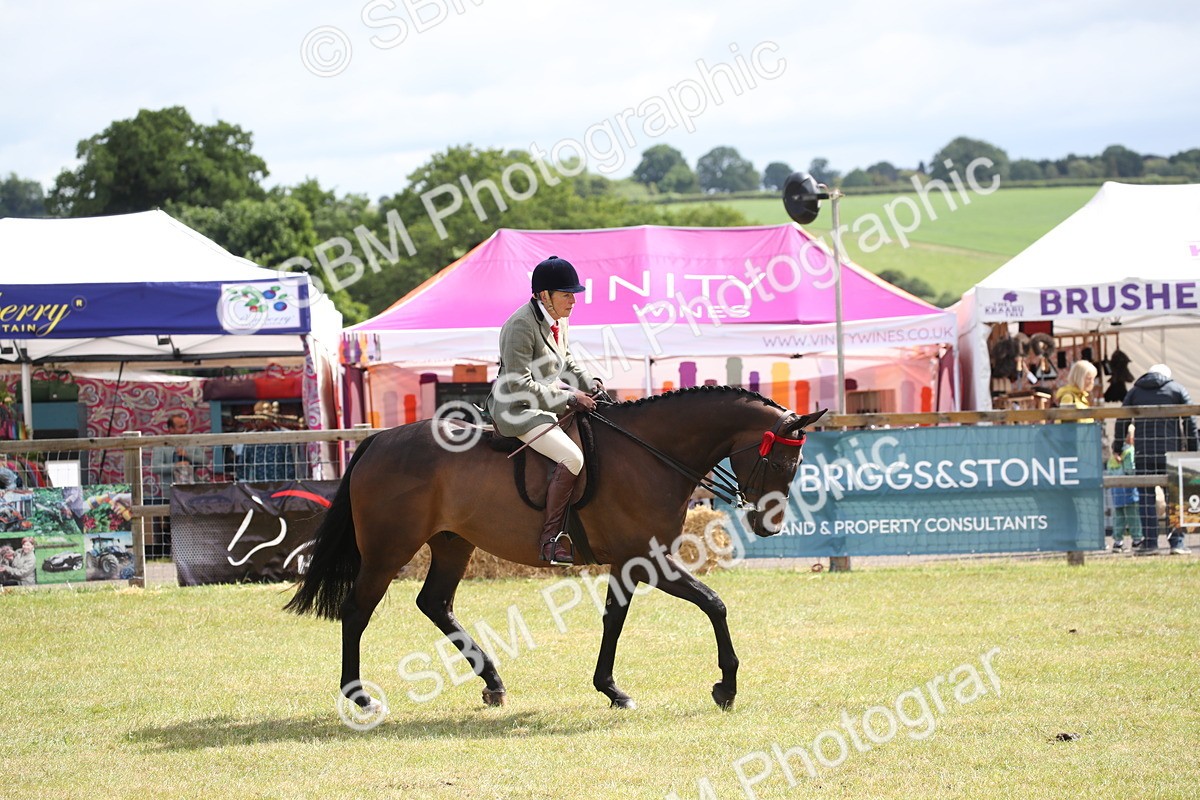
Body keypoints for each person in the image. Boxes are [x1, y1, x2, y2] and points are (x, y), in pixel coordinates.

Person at [486, 255, 603, 565]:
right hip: (517, 409)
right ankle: (550, 540)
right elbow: (519, 386)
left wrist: (589, 385)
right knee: (572, 457)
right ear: (543, 295)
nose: (573, 301)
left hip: (546, 402)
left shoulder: (559, 319)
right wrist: (570, 399)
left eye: (574, 294)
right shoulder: (520, 325)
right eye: (566, 294)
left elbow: (567, 360)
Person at [1115, 364, 1198, 555]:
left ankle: (1150, 543)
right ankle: (1176, 543)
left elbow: (1121, 420)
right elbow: (1190, 421)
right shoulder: (1177, 389)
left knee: (1146, 499)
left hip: (1143, 453)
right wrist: (1194, 450)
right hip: (1172, 453)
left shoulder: (1135, 392)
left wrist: (1117, 447)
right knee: (1176, 498)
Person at [234, 401, 301, 482]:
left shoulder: (283, 437)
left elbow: (289, 465)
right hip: (257, 485)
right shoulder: (249, 439)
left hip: (279, 484)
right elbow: (243, 468)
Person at [149, 413, 204, 501]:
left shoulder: (192, 442)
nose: (185, 429)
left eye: (185, 426)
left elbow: (205, 460)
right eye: (181, 427)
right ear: (171, 429)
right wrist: (176, 466)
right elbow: (156, 468)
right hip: (170, 490)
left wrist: (188, 455)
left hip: (193, 488)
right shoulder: (161, 445)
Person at [1105, 427, 1142, 553]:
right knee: (1133, 516)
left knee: (1119, 516)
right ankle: (1137, 539)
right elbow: (1130, 470)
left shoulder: (1113, 455)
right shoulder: (1130, 451)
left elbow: (1109, 470)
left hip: (1116, 491)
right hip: (1129, 489)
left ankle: (1117, 541)